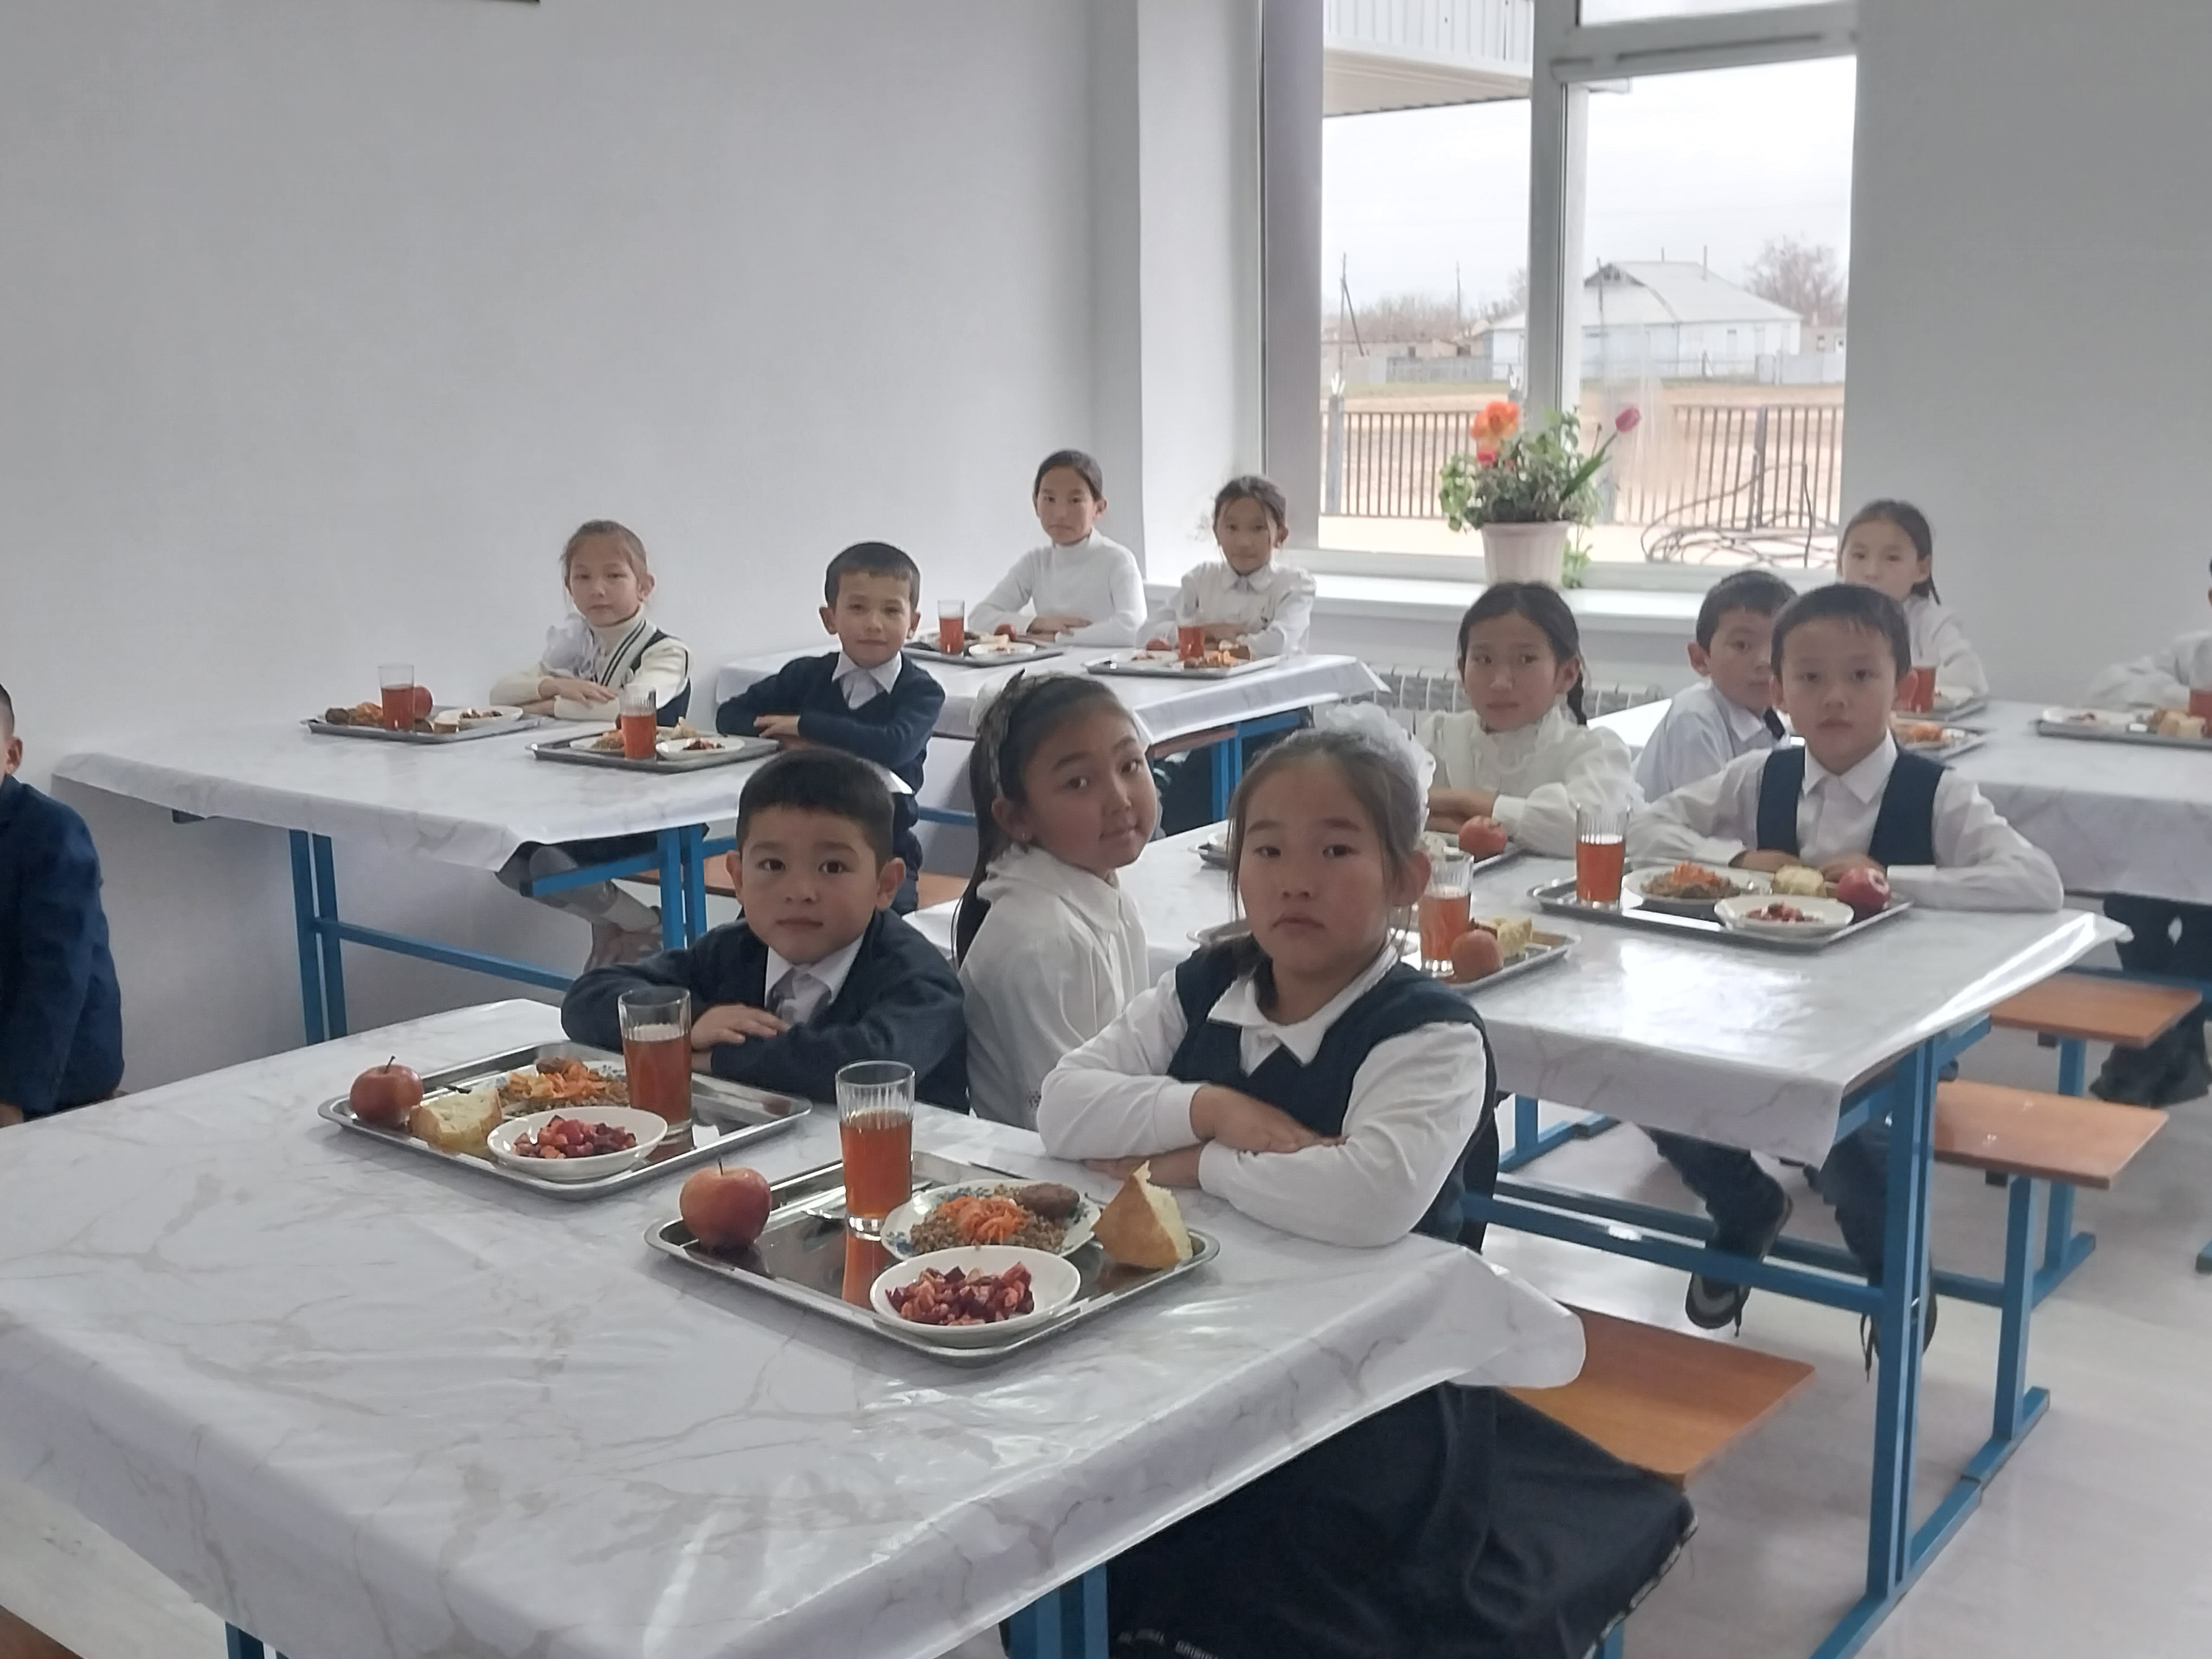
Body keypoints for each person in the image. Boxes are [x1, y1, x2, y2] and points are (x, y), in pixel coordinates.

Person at [1036, 729, 1596, 1657]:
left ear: (1407, 878)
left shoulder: (1429, 1033)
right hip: (1194, 1342)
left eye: (1335, 850)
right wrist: (1216, 1109)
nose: (1295, 880)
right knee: (1080, 1507)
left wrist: (1193, 1164)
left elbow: (1368, 1200)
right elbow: (1063, 1107)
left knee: (1277, 1580)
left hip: (1378, 1380)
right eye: (1267, 850)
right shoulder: (1206, 985)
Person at [1629, 584, 2062, 1339]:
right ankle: (1744, 1204)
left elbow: (2036, 882)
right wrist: (1736, 860)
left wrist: (1895, 881)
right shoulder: (1761, 775)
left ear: (1902, 685)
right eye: (1810, 677)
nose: (1835, 697)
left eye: (1861, 675)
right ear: (1780, 690)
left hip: (1889, 1026)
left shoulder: (1936, 794)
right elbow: (1644, 827)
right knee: (1653, 1079)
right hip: (1761, 1011)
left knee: (1844, 1147)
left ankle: (1893, 1263)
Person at [563, 750, 966, 1109]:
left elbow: (865, 1067)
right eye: (773, 865)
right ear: (738, 877)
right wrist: (690, 1023)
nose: (800, 891)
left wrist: (715, 1059)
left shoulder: (921, 979)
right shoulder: (733, 950)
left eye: (833, 867)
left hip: (900, 1162)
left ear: (885, 885)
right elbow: (588, 999)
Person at [490, 520, 695, 967]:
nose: (597, 589)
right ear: (569, 587)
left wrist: (547, 706)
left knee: (550, 863)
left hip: (653, 807)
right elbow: (500, 695)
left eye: (614, 576)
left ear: (644, 586)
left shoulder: (665, 652)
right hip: (582, 801)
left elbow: (627, 708)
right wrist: (555, 685)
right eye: (582, 577)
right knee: (507, 857)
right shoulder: (574, 650)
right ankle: (634, 923)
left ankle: (639, 928)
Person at [955, 675, 1156, 1127]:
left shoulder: (1106, 899)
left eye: (1130, 765)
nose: (1120, 800)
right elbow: (1062, 1121)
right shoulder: (1042, 940)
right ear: (1016, 818)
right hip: (1045, 1161)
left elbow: (1144, 1059)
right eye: (1079, 783)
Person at [715, 542, 945, 914]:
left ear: (913, 623)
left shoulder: (921, 691)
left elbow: (894, 746)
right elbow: (731, 715)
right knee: (756, 927)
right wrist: (790, 744)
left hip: (882, 847)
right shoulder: (806, 675)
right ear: (830, 618)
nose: (874, 623)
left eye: (891, 610)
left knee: (887, 933)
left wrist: (806, 727)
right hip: (795, 846)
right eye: (857, 608)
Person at [2081, 558, 2212, 1103]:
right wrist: (2192, 700)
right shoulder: (2195, 654)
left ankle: (2145, 1057)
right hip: (2183, 826)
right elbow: (2107, 688)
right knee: (2129, 899)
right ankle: (2176, 1049)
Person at [1417, 581, 1638, 856]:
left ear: (1567, 674)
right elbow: (1397, 817)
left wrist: (1463, 801)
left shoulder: (1595, 750)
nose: (1500, 682)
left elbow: (1589, 830)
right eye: (1484, 660)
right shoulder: (1439, 737)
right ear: (1462, 670)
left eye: (1526, 660)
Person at [0, 684, 123, 1128]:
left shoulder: (53, 833)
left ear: (12, 755)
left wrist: (13, 1098)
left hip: (57, 1069)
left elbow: (58, 975)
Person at [1633, 568, 1797, 801]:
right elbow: (1708, 816)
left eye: (1778, 646)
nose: (1765, 661)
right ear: (1700, 659)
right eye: (1742, 645)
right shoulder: (1694, 719)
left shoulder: (1772, 719)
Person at [967, 450, 1146, 645]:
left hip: (1102, 664)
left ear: (1099, 508)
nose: (1060, 513)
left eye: (1075, 501)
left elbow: (1135, 628)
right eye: (1049, 499)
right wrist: (1037, 623)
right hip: (1046, 663)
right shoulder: (1036, 563)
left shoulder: (1117, 560)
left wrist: (1059, 638)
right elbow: (979, 618)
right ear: (1036, 503)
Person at [1144, 475, 1316, 658]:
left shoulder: (1294, 584)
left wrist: (1204, 643)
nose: (1243, 542)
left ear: (1281, 535)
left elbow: (1276, 644)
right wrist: (1209, 631)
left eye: (1258, 528)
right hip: (1204, 678)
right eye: (1232, 527)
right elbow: (1146, 634)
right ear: (1216, 532)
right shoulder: (1202, 579)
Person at [1838, 499, 1989, 706]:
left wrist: (1896, 685)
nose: (1872, 572)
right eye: (1859, 556)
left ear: (1922, 569)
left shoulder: (1933, 623)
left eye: (1892, 558)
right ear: (1839, 563)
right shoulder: (1821, 621)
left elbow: (1971, 680)